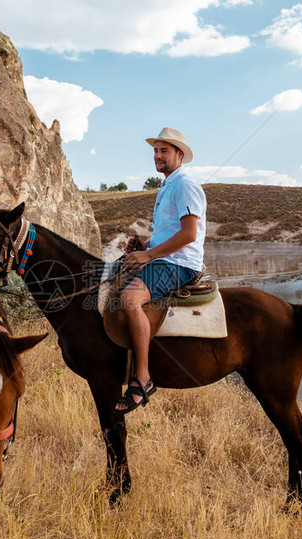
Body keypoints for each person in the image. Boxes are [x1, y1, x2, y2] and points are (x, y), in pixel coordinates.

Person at [114, 127, 207, 413]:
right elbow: (170, 231)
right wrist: (144, 244)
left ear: (179, 154)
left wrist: (149, 255)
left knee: (130, 299)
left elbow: (190, 234)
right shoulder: (167, 185)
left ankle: (142, 379)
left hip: (180, 263)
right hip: (163, 257)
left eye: (163, 150)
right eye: (155, 150)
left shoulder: (185, 183)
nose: (157, 155)